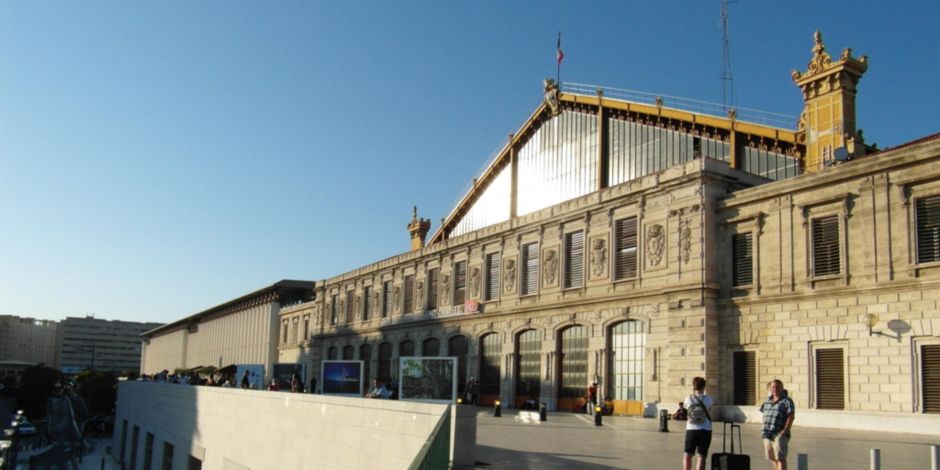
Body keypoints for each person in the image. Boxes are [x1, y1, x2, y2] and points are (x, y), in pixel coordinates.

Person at [760, 379, 795, 470]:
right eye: (773, 387)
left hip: (779, 433)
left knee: (780, 457)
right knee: (772, 457)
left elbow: (791, 416)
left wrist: (785, 430)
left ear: (782, 388)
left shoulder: (787, 401)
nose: (775, 389)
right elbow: (764, 413)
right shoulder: (767, 400)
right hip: (767, 433)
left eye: (777, 387)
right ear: (770, 388)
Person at [682, 376, 713, 470]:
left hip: (691, 429)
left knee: (687, 455)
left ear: (694, 386)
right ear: (704, 387)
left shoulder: (688, 398)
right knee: (701, 456)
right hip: (705, 429)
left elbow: (686, 409)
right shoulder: (708, 399)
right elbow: (709, 411)